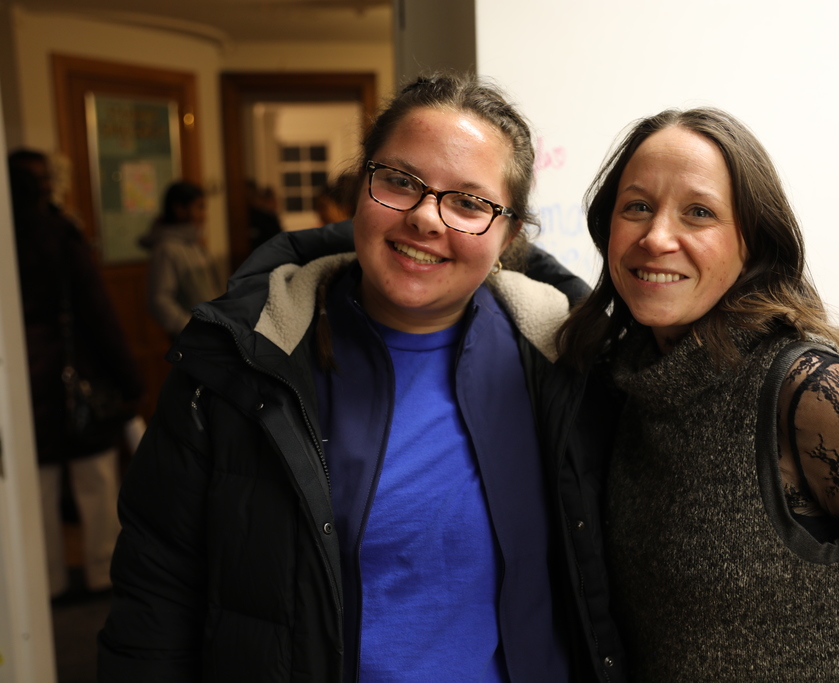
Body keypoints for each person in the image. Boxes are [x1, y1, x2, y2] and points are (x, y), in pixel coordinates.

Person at [98, 74, 624, 682]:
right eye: (401, 181)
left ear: (508, 235)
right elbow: (154, 601)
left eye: (469, 203)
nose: (427, 217)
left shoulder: (569, 359)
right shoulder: (234, 365)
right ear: (360, 186)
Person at [558, 108, 839, 681]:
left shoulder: (809, 391)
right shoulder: (623, 378)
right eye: (637, 207)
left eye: (698, 213)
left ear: (752, 244)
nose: (656, 238)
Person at [9, 150, 144, 598]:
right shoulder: (61, 234)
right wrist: (129, 379)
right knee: (96, 479)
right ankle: (101, 570)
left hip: (17, 377)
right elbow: (97, 312)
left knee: (35, 486)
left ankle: (43, 579)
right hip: (75, 370)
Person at [138, 181, 223, 339]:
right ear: (179, 210)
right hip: (196, 341)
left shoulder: (195, 245)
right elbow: (159, 301)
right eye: (199, 207)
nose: (204, 215)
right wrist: (191, 329)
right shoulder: (167, 249)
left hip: (213, 335)